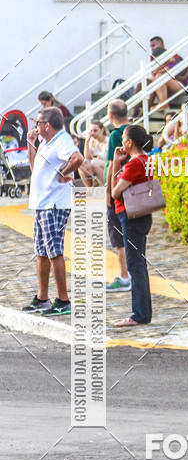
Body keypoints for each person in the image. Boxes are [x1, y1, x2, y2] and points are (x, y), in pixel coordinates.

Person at [22, 107, 83, 316]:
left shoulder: (62, 140)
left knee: (54, 251)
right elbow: (35, 170)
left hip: (54, 205)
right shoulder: (47, 143)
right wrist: (31, 145)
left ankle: (63, 299)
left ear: (47, 125)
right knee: (41, 252)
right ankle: (42, 297)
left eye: (38, 122)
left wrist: (62, 172)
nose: (36, 126)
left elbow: (78, 158)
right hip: (42, 204)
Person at [110, 124, 154, 327]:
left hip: (131, 217)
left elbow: (114, 192)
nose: (121, 144)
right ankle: (143, 313)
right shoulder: (146, 160)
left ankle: (139, 314)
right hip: (141, 215)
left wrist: (117, 164)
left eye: (123, 140)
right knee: (139, 265)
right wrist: (119, 162)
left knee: (135, 265)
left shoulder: (134, 164)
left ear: (129, 142)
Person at [104, 100, 131, 292]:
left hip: (118, 187)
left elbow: (112, 164)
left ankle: (124, 275)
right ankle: (132, 274)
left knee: (117, 234)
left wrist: (107, 190)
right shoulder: (135, 130)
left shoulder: (115, 135)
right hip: (132, 186)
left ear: (110, 115)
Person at [149, 35, 188, 107]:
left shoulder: (172, 56)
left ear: (162, 44)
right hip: (169, 85)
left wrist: (183, 78)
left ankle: (163, 104)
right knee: (149, 81)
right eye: (151, 46)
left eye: (154, 45)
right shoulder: (154, 56)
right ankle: (142, 110)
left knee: (159, 76)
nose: (152, 48)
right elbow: (153, 73)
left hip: (183, 86)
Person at [79, 120, 107, 186]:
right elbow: (87, 158)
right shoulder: (93, 142)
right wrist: (87, 142)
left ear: (102, 130)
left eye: (95, 130)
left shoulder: (108, 140)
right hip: (95, 166)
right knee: (81, 165)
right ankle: (89, 188)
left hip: (108, 166)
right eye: (91, 131)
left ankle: (104, 187)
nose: (92, 133)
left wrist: (98, 158)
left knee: (94, 163)